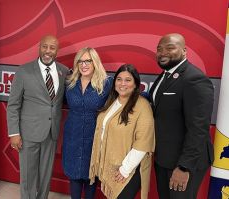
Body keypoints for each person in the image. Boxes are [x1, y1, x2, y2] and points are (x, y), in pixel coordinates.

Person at [149, 33, 214, 199]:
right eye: (159, 49)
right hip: (164, 158)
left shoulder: (195, 78)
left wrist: (184, 167)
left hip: (184, 162)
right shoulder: (164, 76)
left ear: (184, 51)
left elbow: (199, 128)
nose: (163, 52)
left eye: (170, 48)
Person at [6, 35, 69, 199]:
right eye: (45, 46)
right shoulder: (24, 70)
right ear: (39, 47)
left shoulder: (64, 71)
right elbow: (13, 105)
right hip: (28, 133)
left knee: (46, 174)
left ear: (57, 50)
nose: (48, 51)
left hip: (51, 132)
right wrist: (14, 133)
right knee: (28, 174)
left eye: (52, 48)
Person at [89, 64, 155, 199]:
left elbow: (143, 143)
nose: (122, 83)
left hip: (128, 170)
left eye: (128, 80)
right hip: (110, 166)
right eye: (119, 79)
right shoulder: (112, 101)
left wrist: (125, 169)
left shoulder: (142, 106)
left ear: (136, 84)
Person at [62, 47, 113, 199]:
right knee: (74, 175)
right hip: (73, 135)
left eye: (87, 61)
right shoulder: (70, 83)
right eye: (80, 61)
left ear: (95, 62)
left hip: (94, 136)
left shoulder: (107, 83)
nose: (83, 65)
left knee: (92, 176)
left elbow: (126, 95)